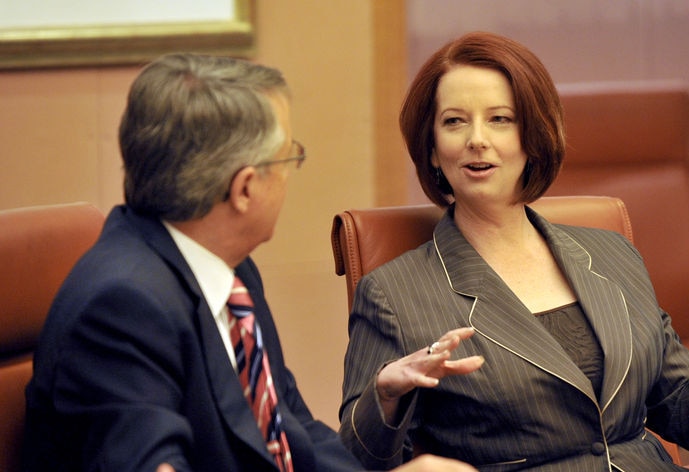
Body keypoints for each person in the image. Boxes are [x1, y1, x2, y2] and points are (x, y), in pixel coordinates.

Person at [339, 31, 689, 471]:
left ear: (533, 138)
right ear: (433, 150)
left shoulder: (612, 255)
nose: (477, 139)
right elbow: (357, 459)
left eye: (500, 119)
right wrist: (385, 395)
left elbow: (683, 415)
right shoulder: (393, 294)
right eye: (454, 121)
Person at [23, 53, 476, 472]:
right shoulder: (120, 308)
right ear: (244, 189)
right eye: (287, 156)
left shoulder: (228, 268)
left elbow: (290, 430)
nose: (290, 171)